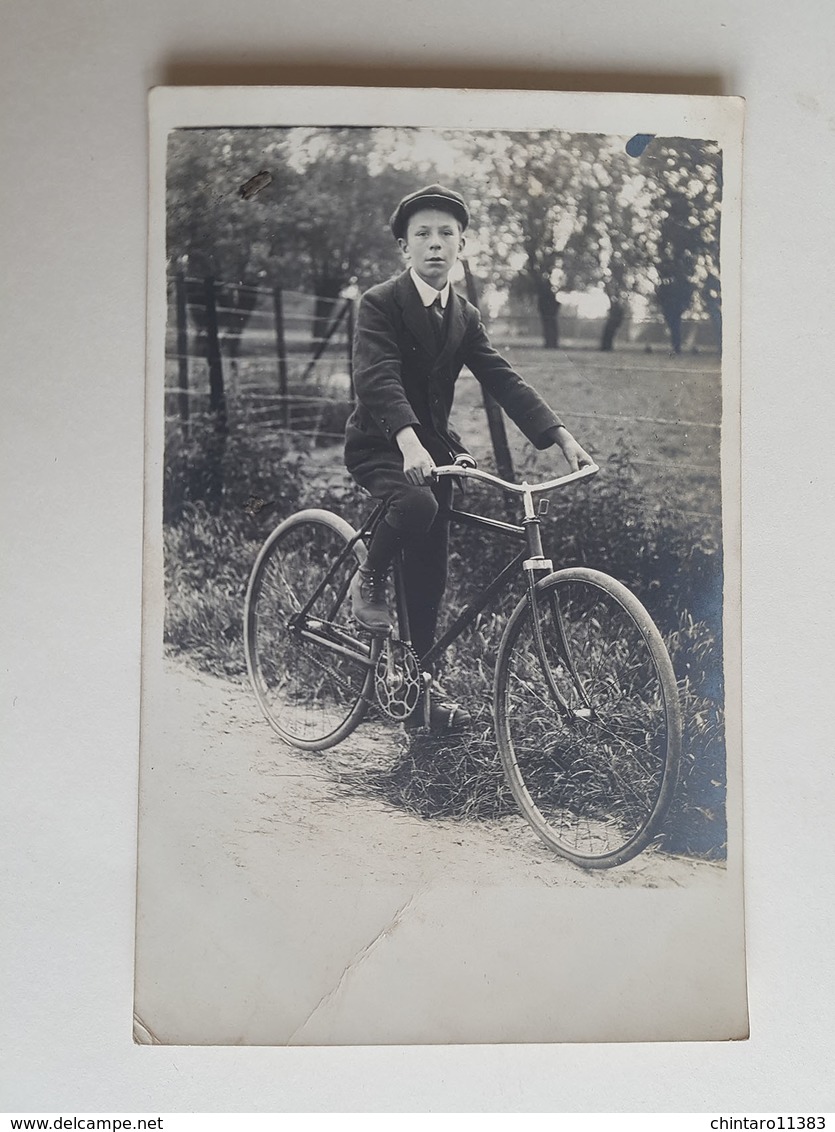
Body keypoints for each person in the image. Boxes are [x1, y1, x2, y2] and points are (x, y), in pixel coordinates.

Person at [344, 184, 592, 731]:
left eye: (446, 235)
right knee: (416, 508)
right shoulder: (379, 303)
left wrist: (558, 435)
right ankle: (369, 576)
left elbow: (502, 377)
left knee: (431, 571)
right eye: (422, 235)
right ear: (404, 248)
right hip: (381, 443)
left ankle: (418, 691)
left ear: (461, 245)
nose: (435, 245)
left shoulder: (463, 315)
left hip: (434, 453)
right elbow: (377, 376)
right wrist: (406, 437)